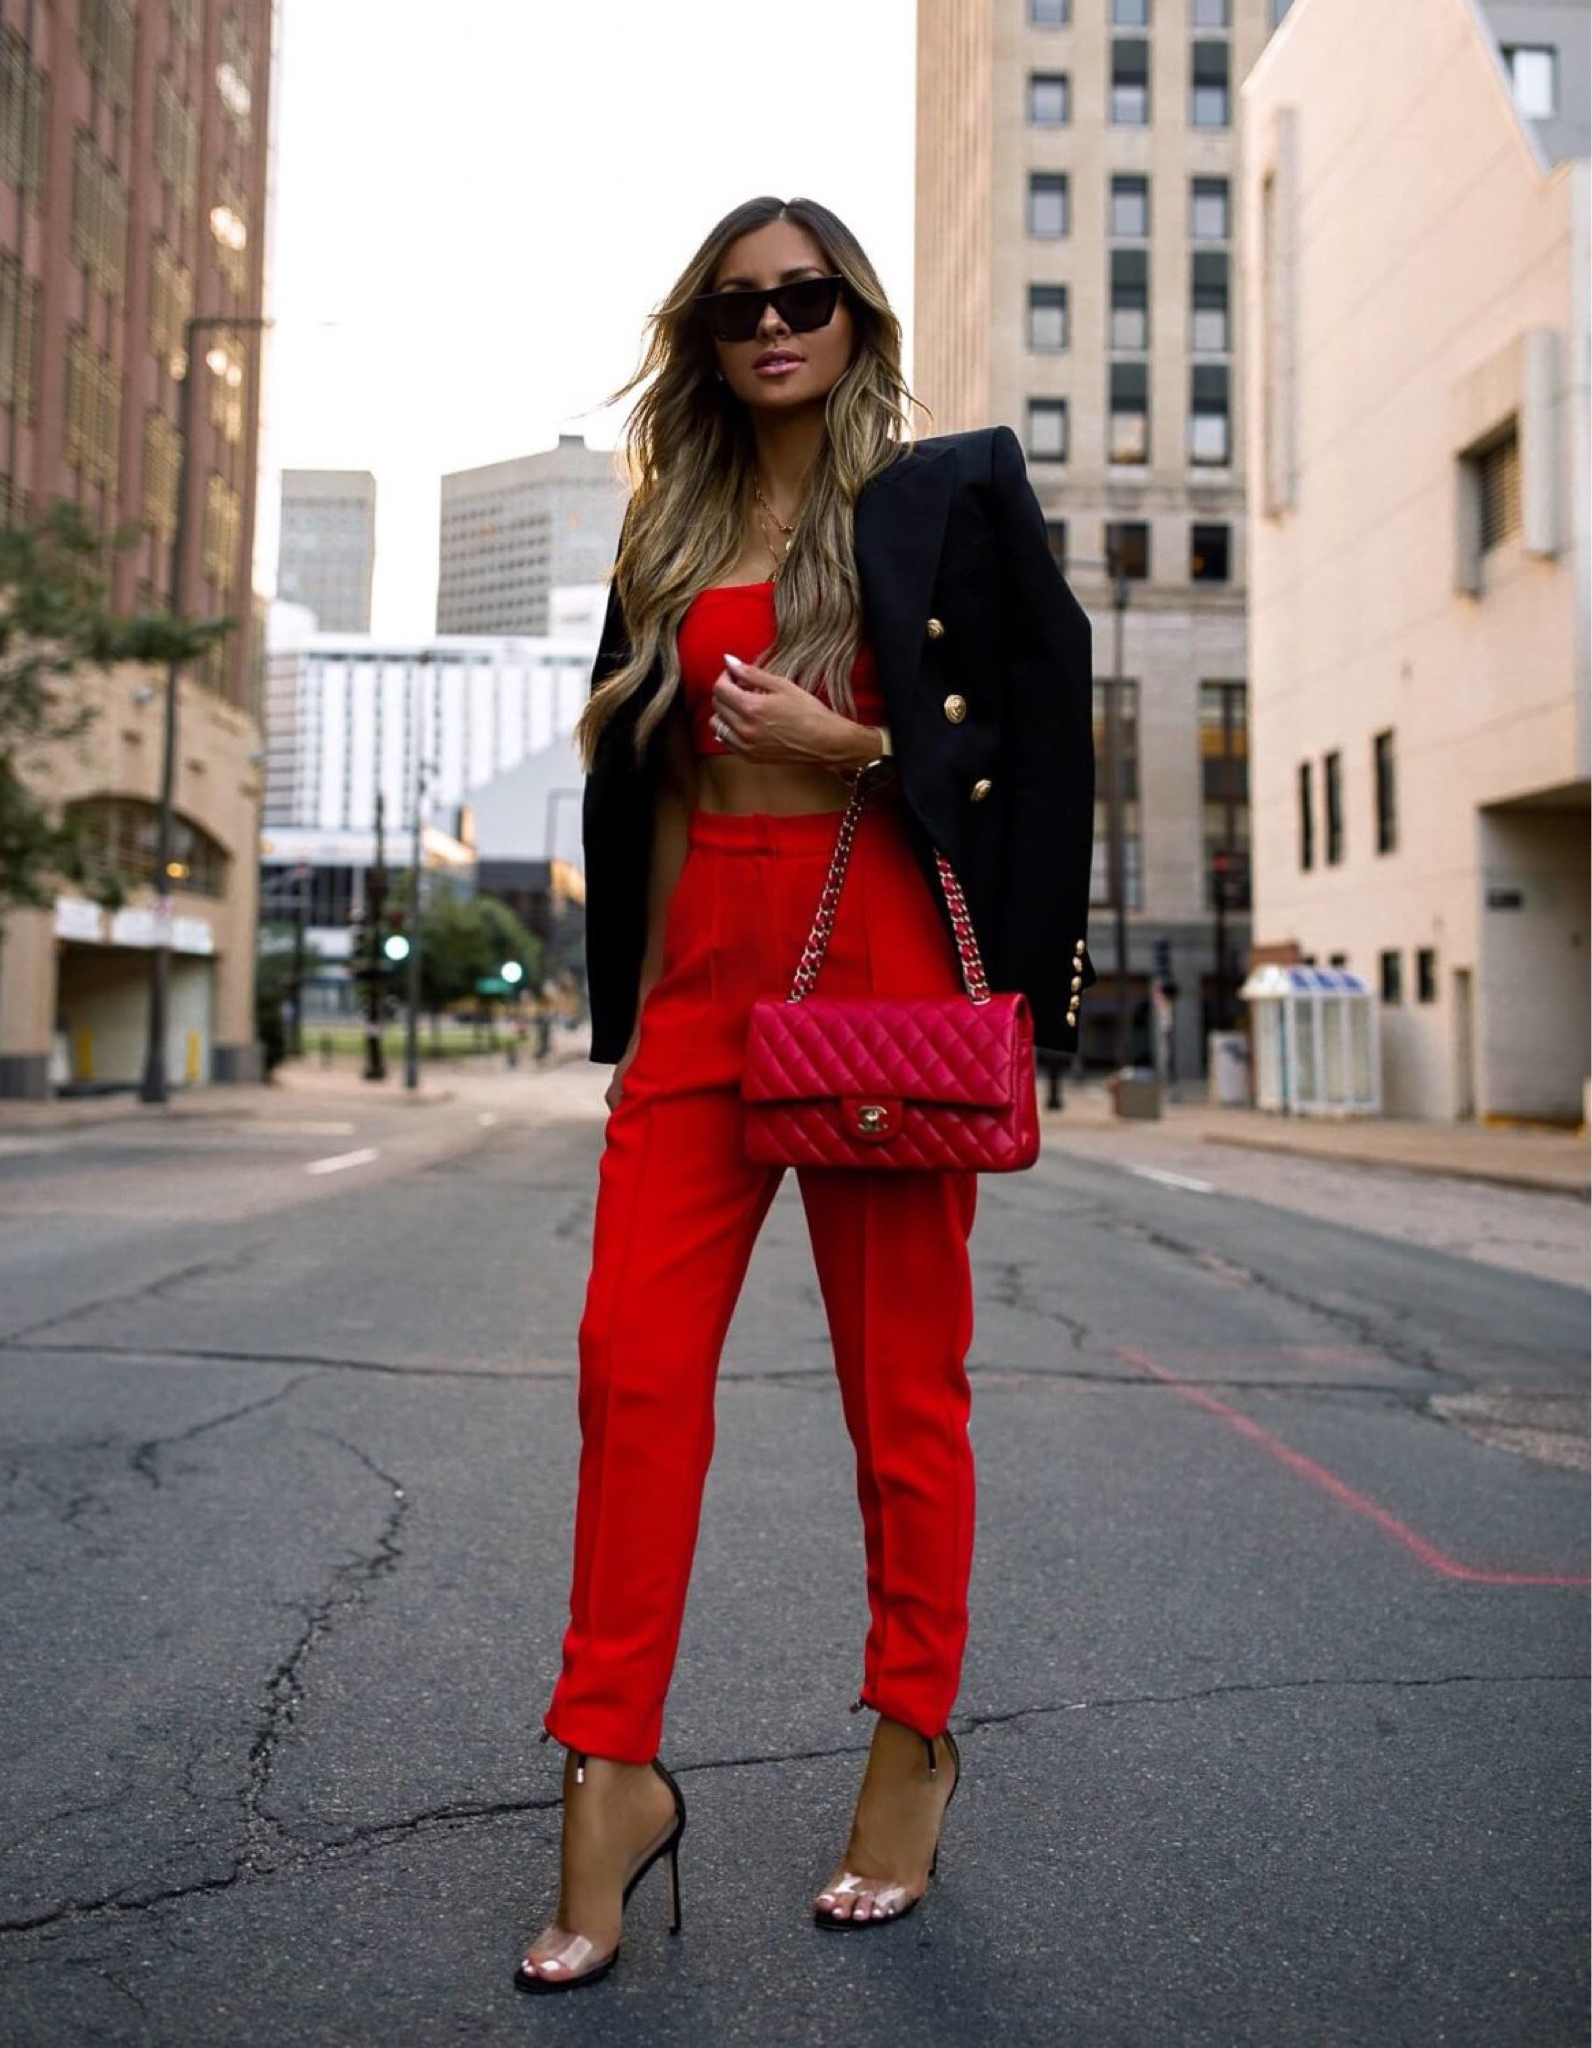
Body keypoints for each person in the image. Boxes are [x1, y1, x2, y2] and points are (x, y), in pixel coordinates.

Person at [516, 195, 1095, 1993]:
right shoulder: (668, 530)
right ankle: (609, 1774)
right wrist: (642, 1015)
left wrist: (853, 743)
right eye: (739, 306)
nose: (774, 325)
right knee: (629, 1365)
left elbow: (1038, 728)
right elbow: (650, 788)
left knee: (901, 1386)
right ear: (703, 338)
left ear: (856, 318)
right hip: (705, 967)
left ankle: (910, 1740)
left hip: (882, 957)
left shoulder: (944, 496)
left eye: (807, 297)